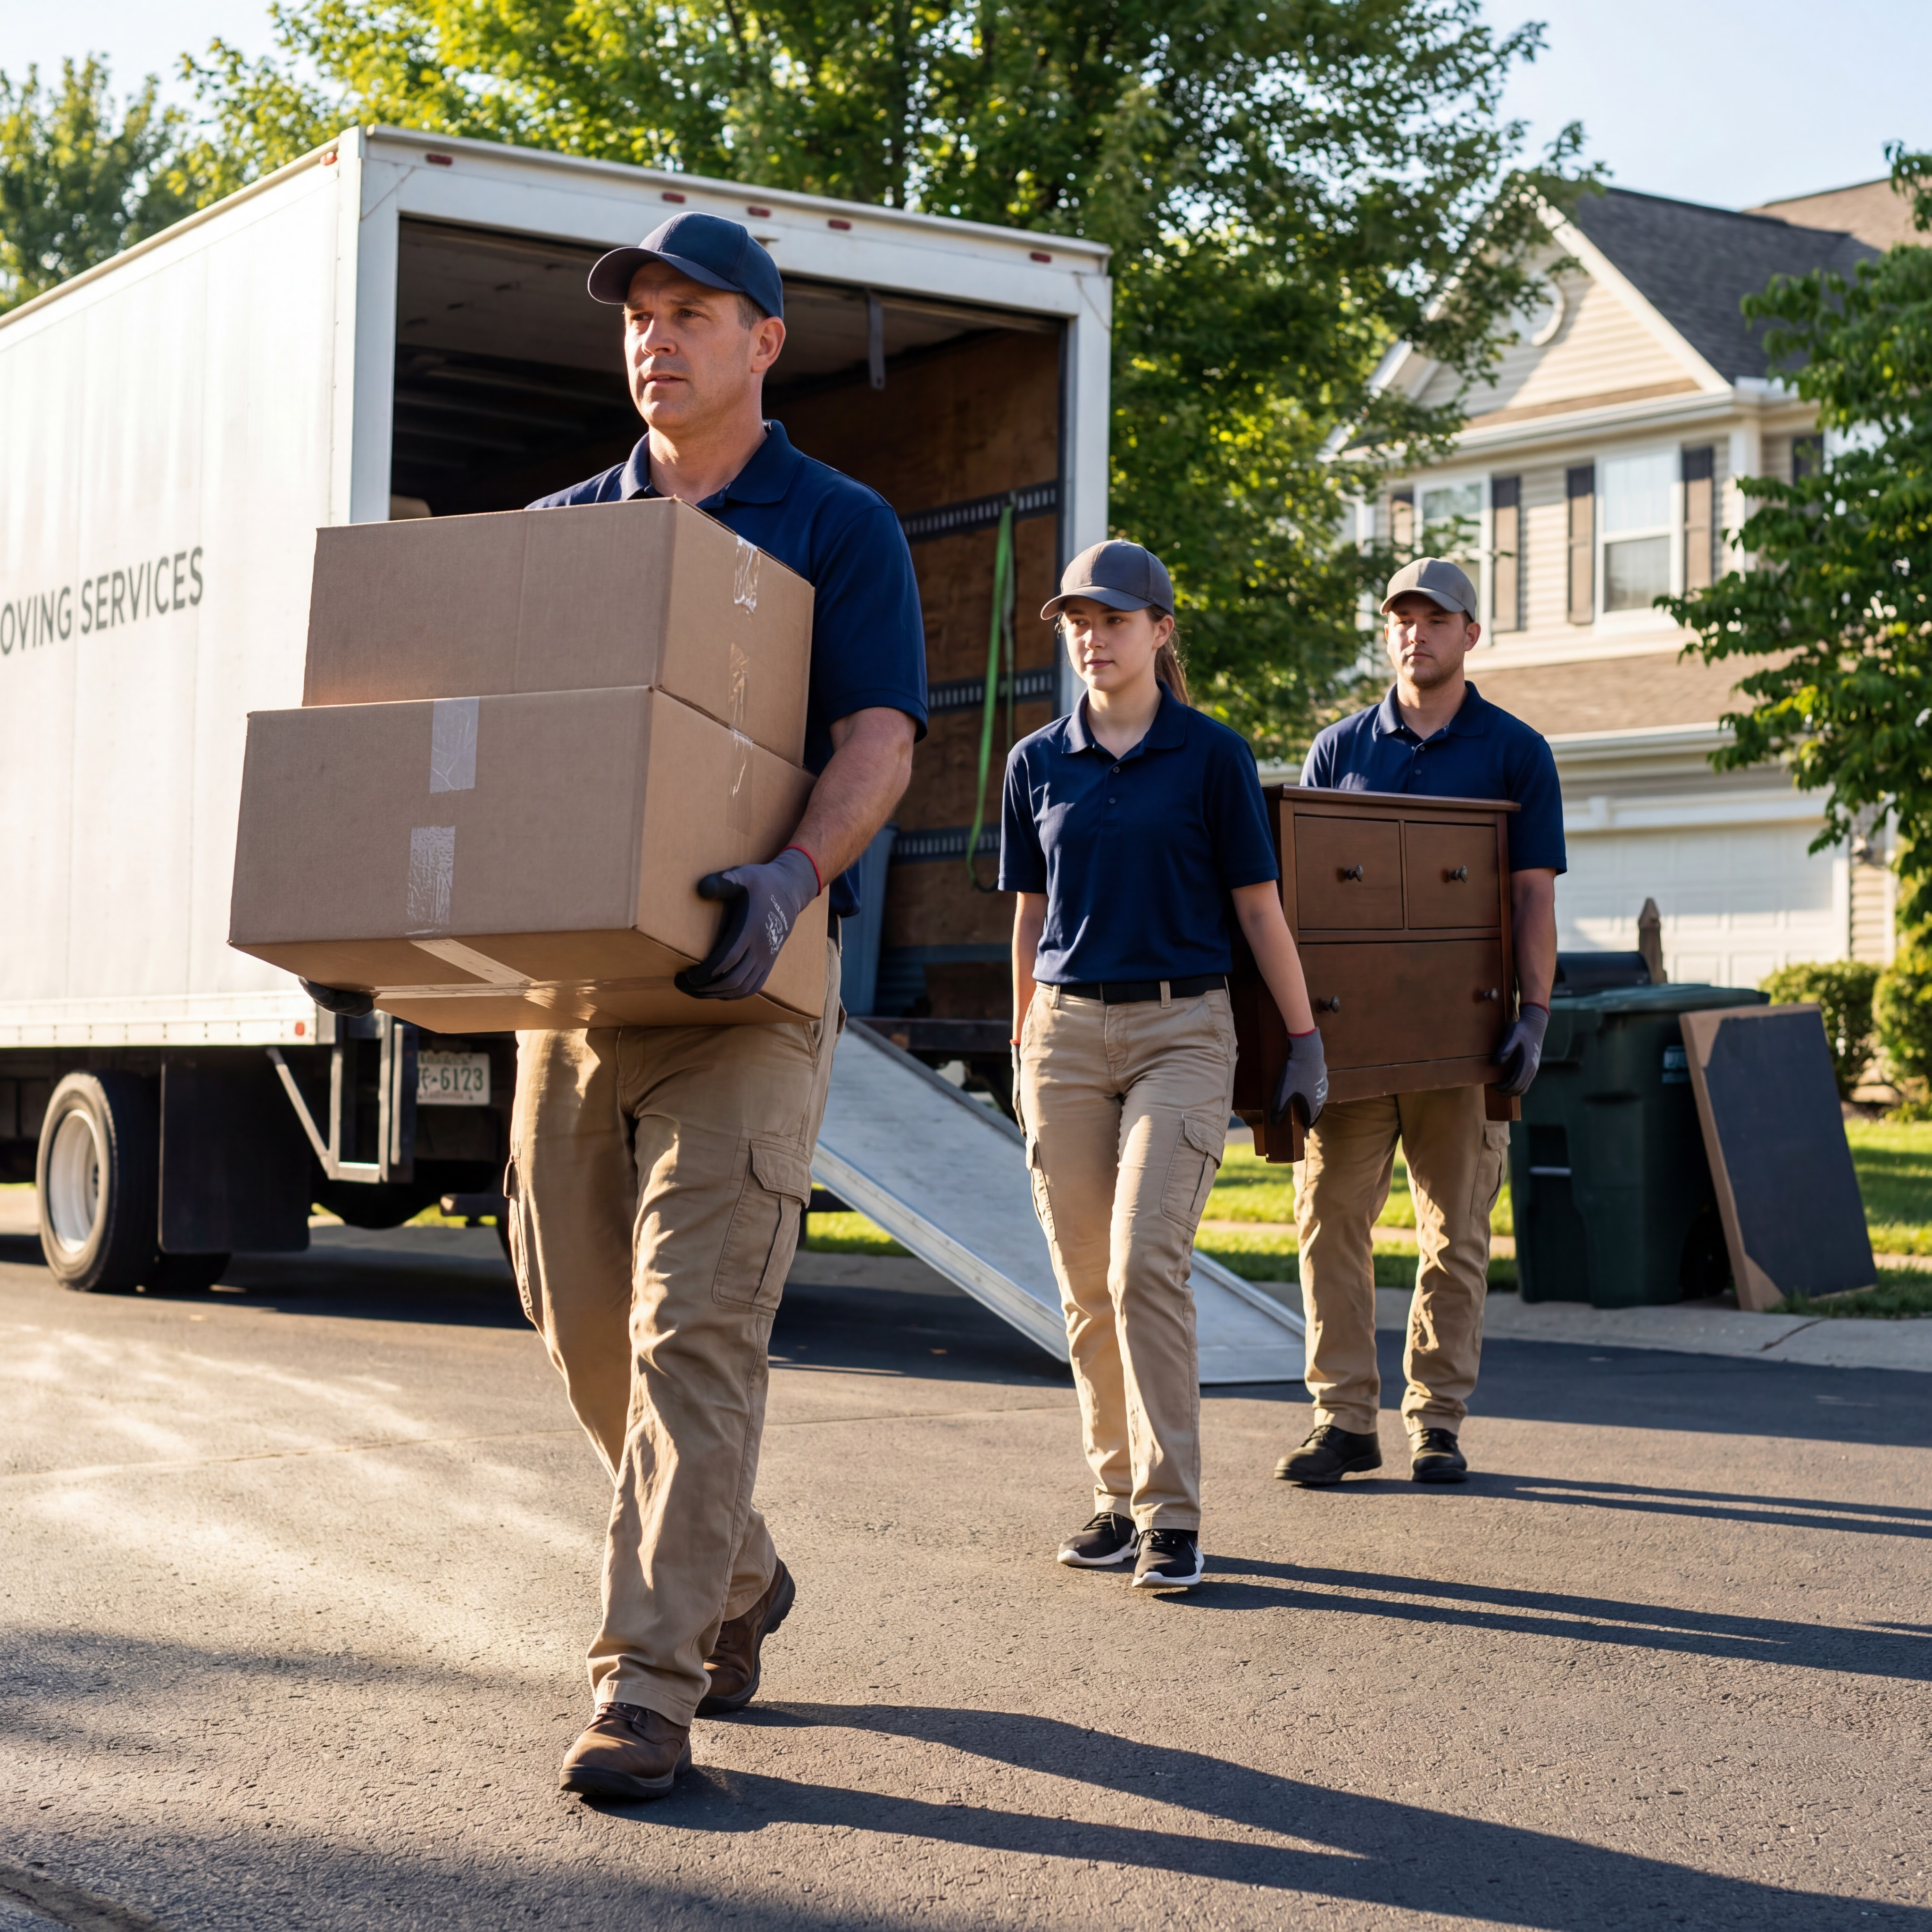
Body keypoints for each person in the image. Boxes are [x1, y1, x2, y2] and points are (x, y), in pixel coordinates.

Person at [497, 214, 923, 1798]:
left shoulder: (838, 524)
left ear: (766, 341)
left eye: (691, 313)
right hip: (577, 997)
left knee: (695, 1332)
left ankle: (645, 1681)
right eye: (638, 315)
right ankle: (736, 1571)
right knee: (581, 1325)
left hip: (749, 990)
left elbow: (878, 737)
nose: (653, 337)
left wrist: (790, 875)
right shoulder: (564, 530)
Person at [1001, 541, 1328, 1592]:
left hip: (1181, 1032)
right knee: (1083, 1283)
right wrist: (1020, 1044)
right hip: (1062, 1034)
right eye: (1076, 623)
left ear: (1159, 630)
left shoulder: (1210, 756)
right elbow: (1030, 916)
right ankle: (1111, 1495)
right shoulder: (1034, 761)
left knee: (1146, 1263)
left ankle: (1170, 1514)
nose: (1091, 637)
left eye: (1111, 619)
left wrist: (1305, 1039)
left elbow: (1256, 908)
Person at [1275, 556, 1560, 1490]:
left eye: (1434, 619)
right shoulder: (1337, 749)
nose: (1414, 633)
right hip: (1350, 1044)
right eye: (1400, 617)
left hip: (1463, 1040)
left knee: (1456, 1232)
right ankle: (1342, 1419)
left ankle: (1435, 1419)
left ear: (1470, 633)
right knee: (1327, 1219)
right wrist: (1296, 1030)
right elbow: (1304, 911)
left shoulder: (1515, 751)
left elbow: (1529, 898)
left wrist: (1534, 1013)